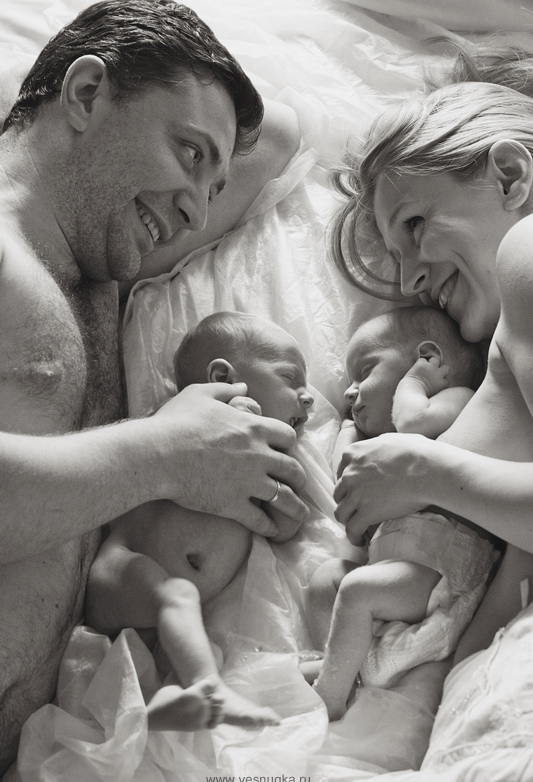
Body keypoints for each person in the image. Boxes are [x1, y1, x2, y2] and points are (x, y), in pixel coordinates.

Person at [0, 0, 308, 775]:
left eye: (213, 184)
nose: (197, 210)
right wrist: (167, 454)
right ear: (85, 94)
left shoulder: (97, 273)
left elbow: (276, 137)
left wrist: (196, 135)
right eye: (188, 153)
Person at [330, 44, 533, 672]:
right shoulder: (508, 337)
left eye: (415, 224)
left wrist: (422, 471)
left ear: (510, 177)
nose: (410, 280)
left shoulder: (526, 250)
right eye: (397, 260)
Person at [86, 311, 314, 730]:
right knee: (178, 597)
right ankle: (208, 688)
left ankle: (171, 701)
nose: (308, 397)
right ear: (223, 377)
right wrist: (238, 408)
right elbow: (162, 437)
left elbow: (282, 528)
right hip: (123, 567)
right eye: (289, 378)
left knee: (197, 640)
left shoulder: (258, 465)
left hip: (166, 622)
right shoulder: (187, 418)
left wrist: (287, 499)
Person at [305, 307, 496, 720]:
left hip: (441, 576)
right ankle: (336, 662)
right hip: (397, 574)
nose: (350, 393)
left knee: (356, 591)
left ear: (428, 357)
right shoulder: (382, 453)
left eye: (365, 372)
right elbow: (346, 485)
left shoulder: (458, 401)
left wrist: (416, 383)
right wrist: (348, 432)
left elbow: (412, 421)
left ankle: (330, 699)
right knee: (325, 582)